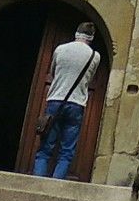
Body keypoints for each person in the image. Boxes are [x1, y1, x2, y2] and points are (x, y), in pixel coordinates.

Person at [31, 24, 101, 180]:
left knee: (45, 148)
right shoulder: (94, 56)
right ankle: (56, 185)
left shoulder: (60, 49)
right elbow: (89, 78)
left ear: (76, 33)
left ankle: (37, 181)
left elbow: (53, 71)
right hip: (77, 104)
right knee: (67, 151)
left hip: (55, 100)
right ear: (91, 37)